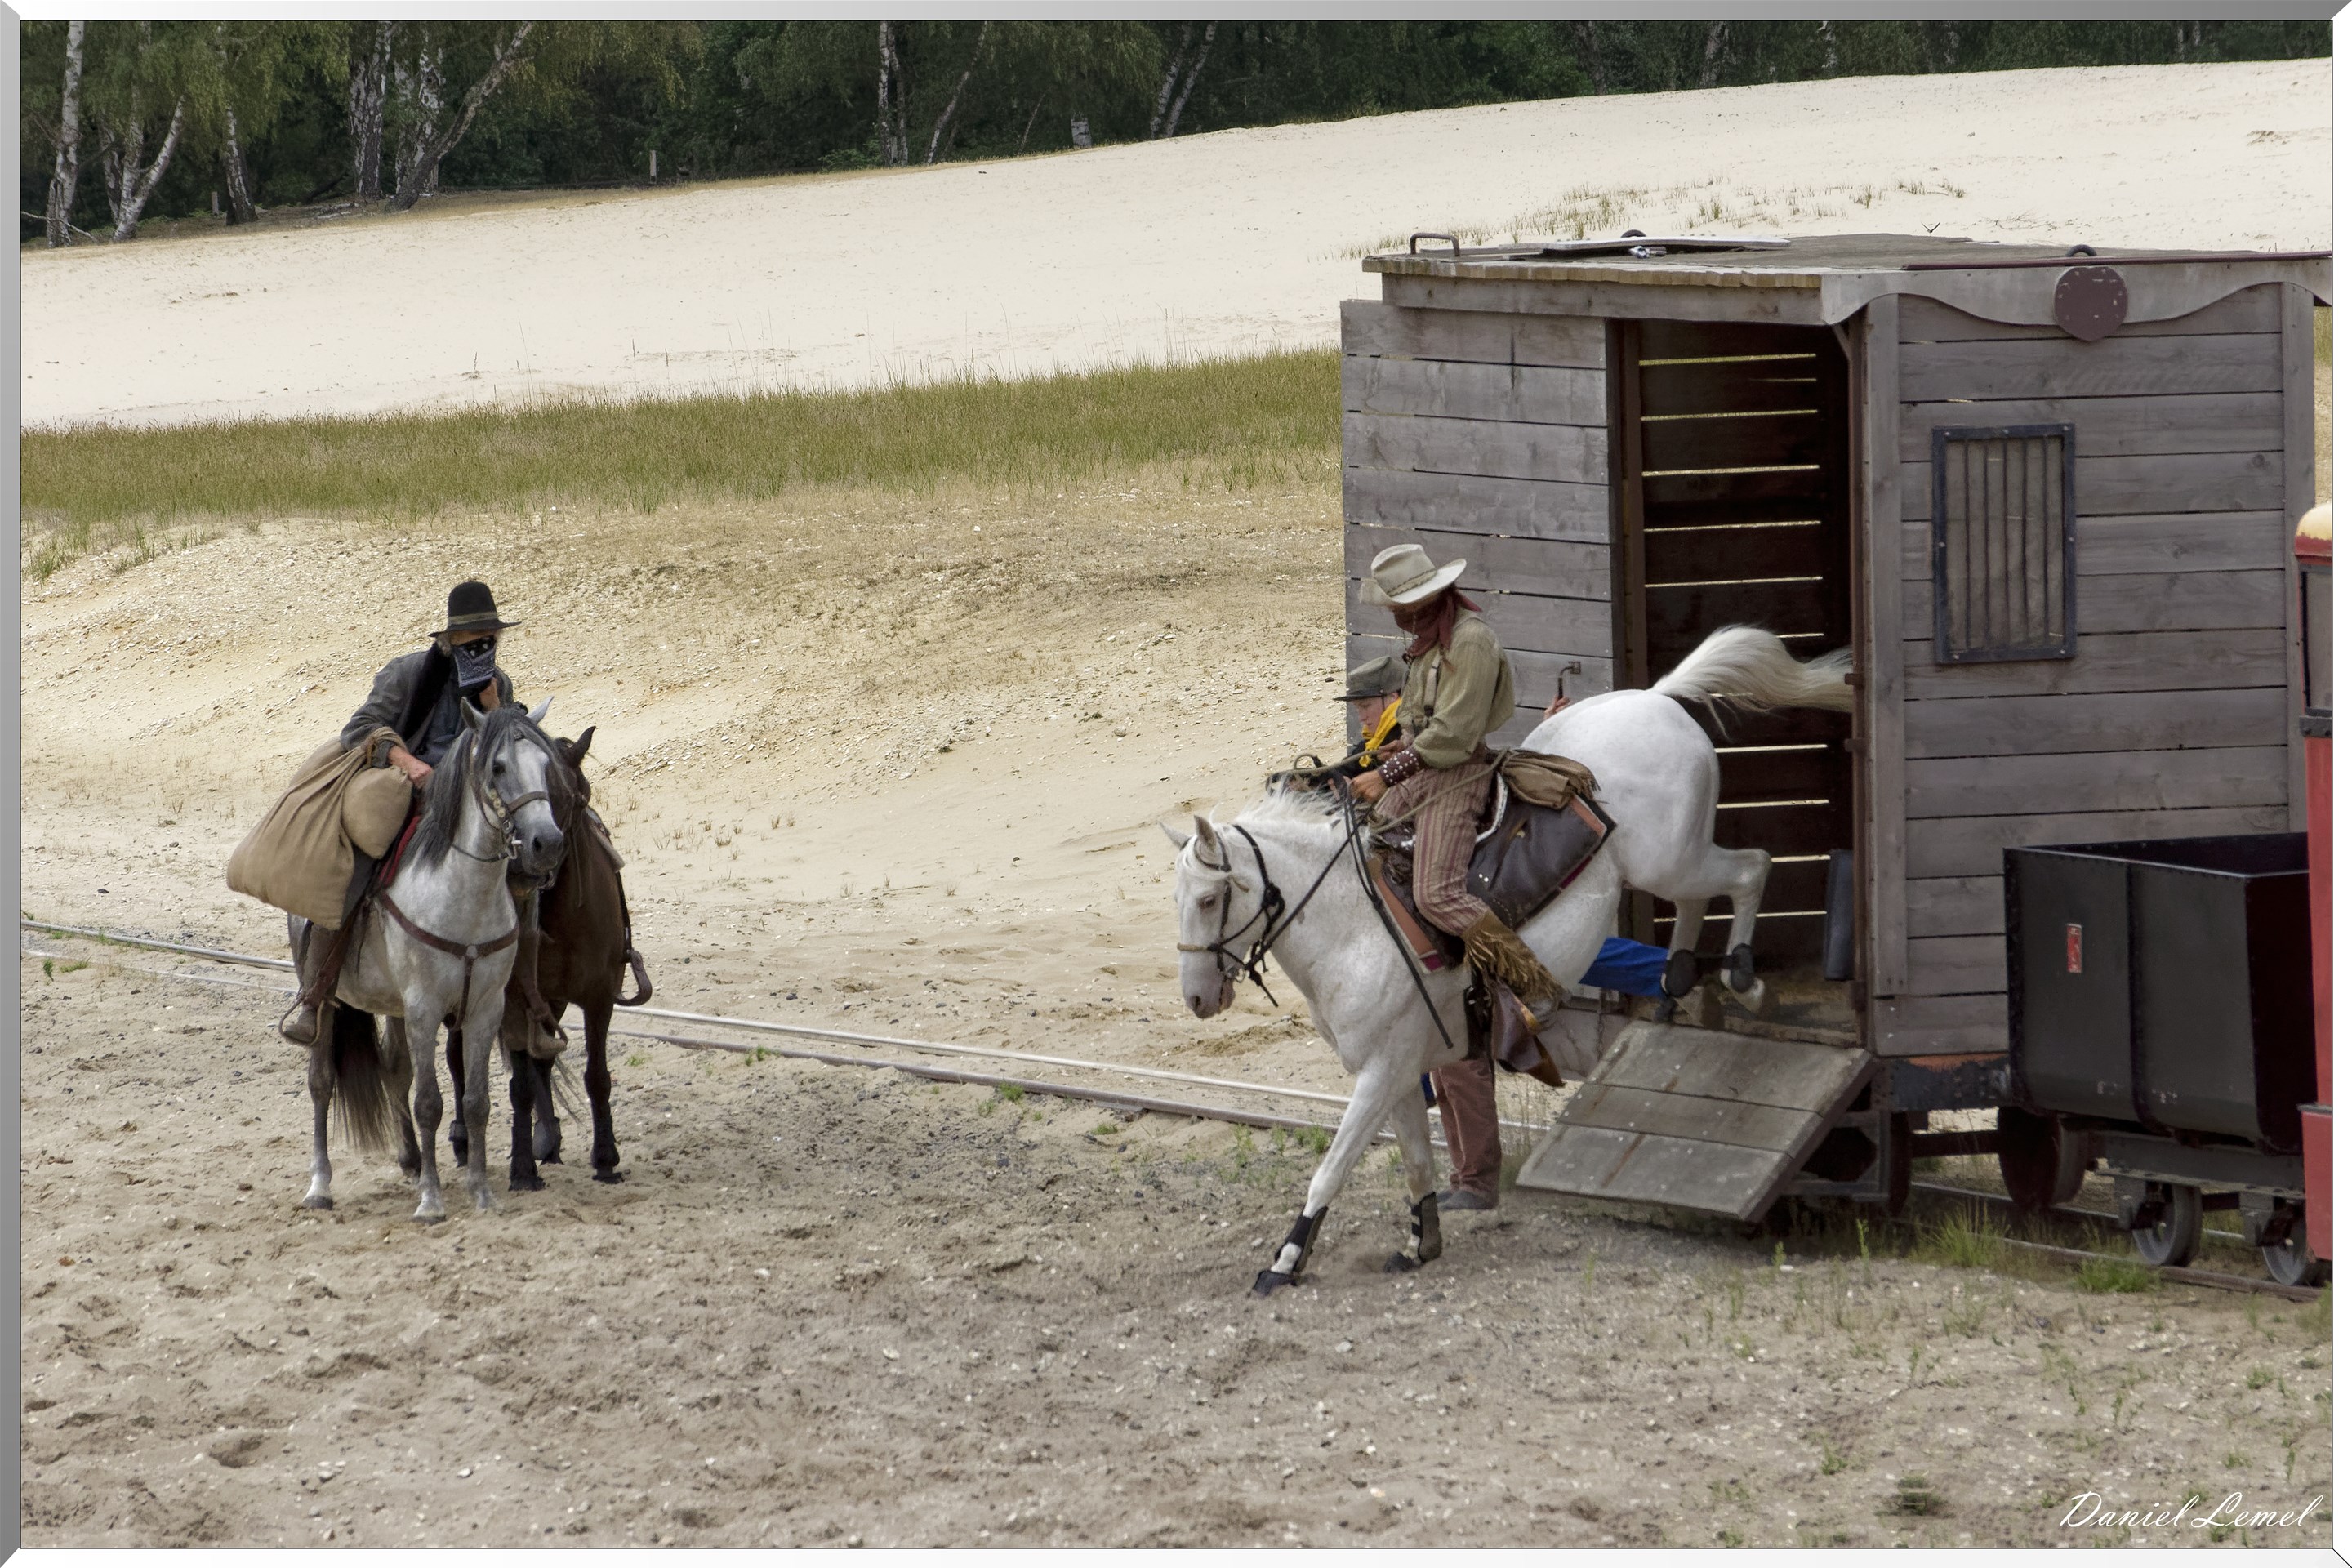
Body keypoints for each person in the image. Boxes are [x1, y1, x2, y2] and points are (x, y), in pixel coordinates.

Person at [280, 581, 523, 1045]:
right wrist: (411, 765)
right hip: (414, 795)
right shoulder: (409, 673)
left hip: (476, 802)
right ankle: (314, 995)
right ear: (451, 642)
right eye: (474, 642)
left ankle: (526, 1001)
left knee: (530, 867)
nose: (483, 649)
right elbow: (361, 727)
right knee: (360, 865)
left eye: (490, 640)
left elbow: (509, 746)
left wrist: (497, 709)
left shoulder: (500, 684)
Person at [1348, 543, 1567, 1030]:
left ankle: (1535, 984)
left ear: (1428, 600)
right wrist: (1397, 748)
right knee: (1363, 842)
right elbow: (1418, 722)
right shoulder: (1429, 646)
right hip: (1425, 768)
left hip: (1460, 776)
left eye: (1401, 609)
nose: (1397, 618)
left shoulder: (1469, 643)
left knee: (1437, 895)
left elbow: (1453, 734)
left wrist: (1387, 774)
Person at [1336, 654, 1405, 775]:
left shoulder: (1403, 737)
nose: (1361, 718)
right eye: (1358, 708)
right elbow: (1346, 769)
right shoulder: (1373, 742)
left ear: (1393, 698)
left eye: (1365, 706)